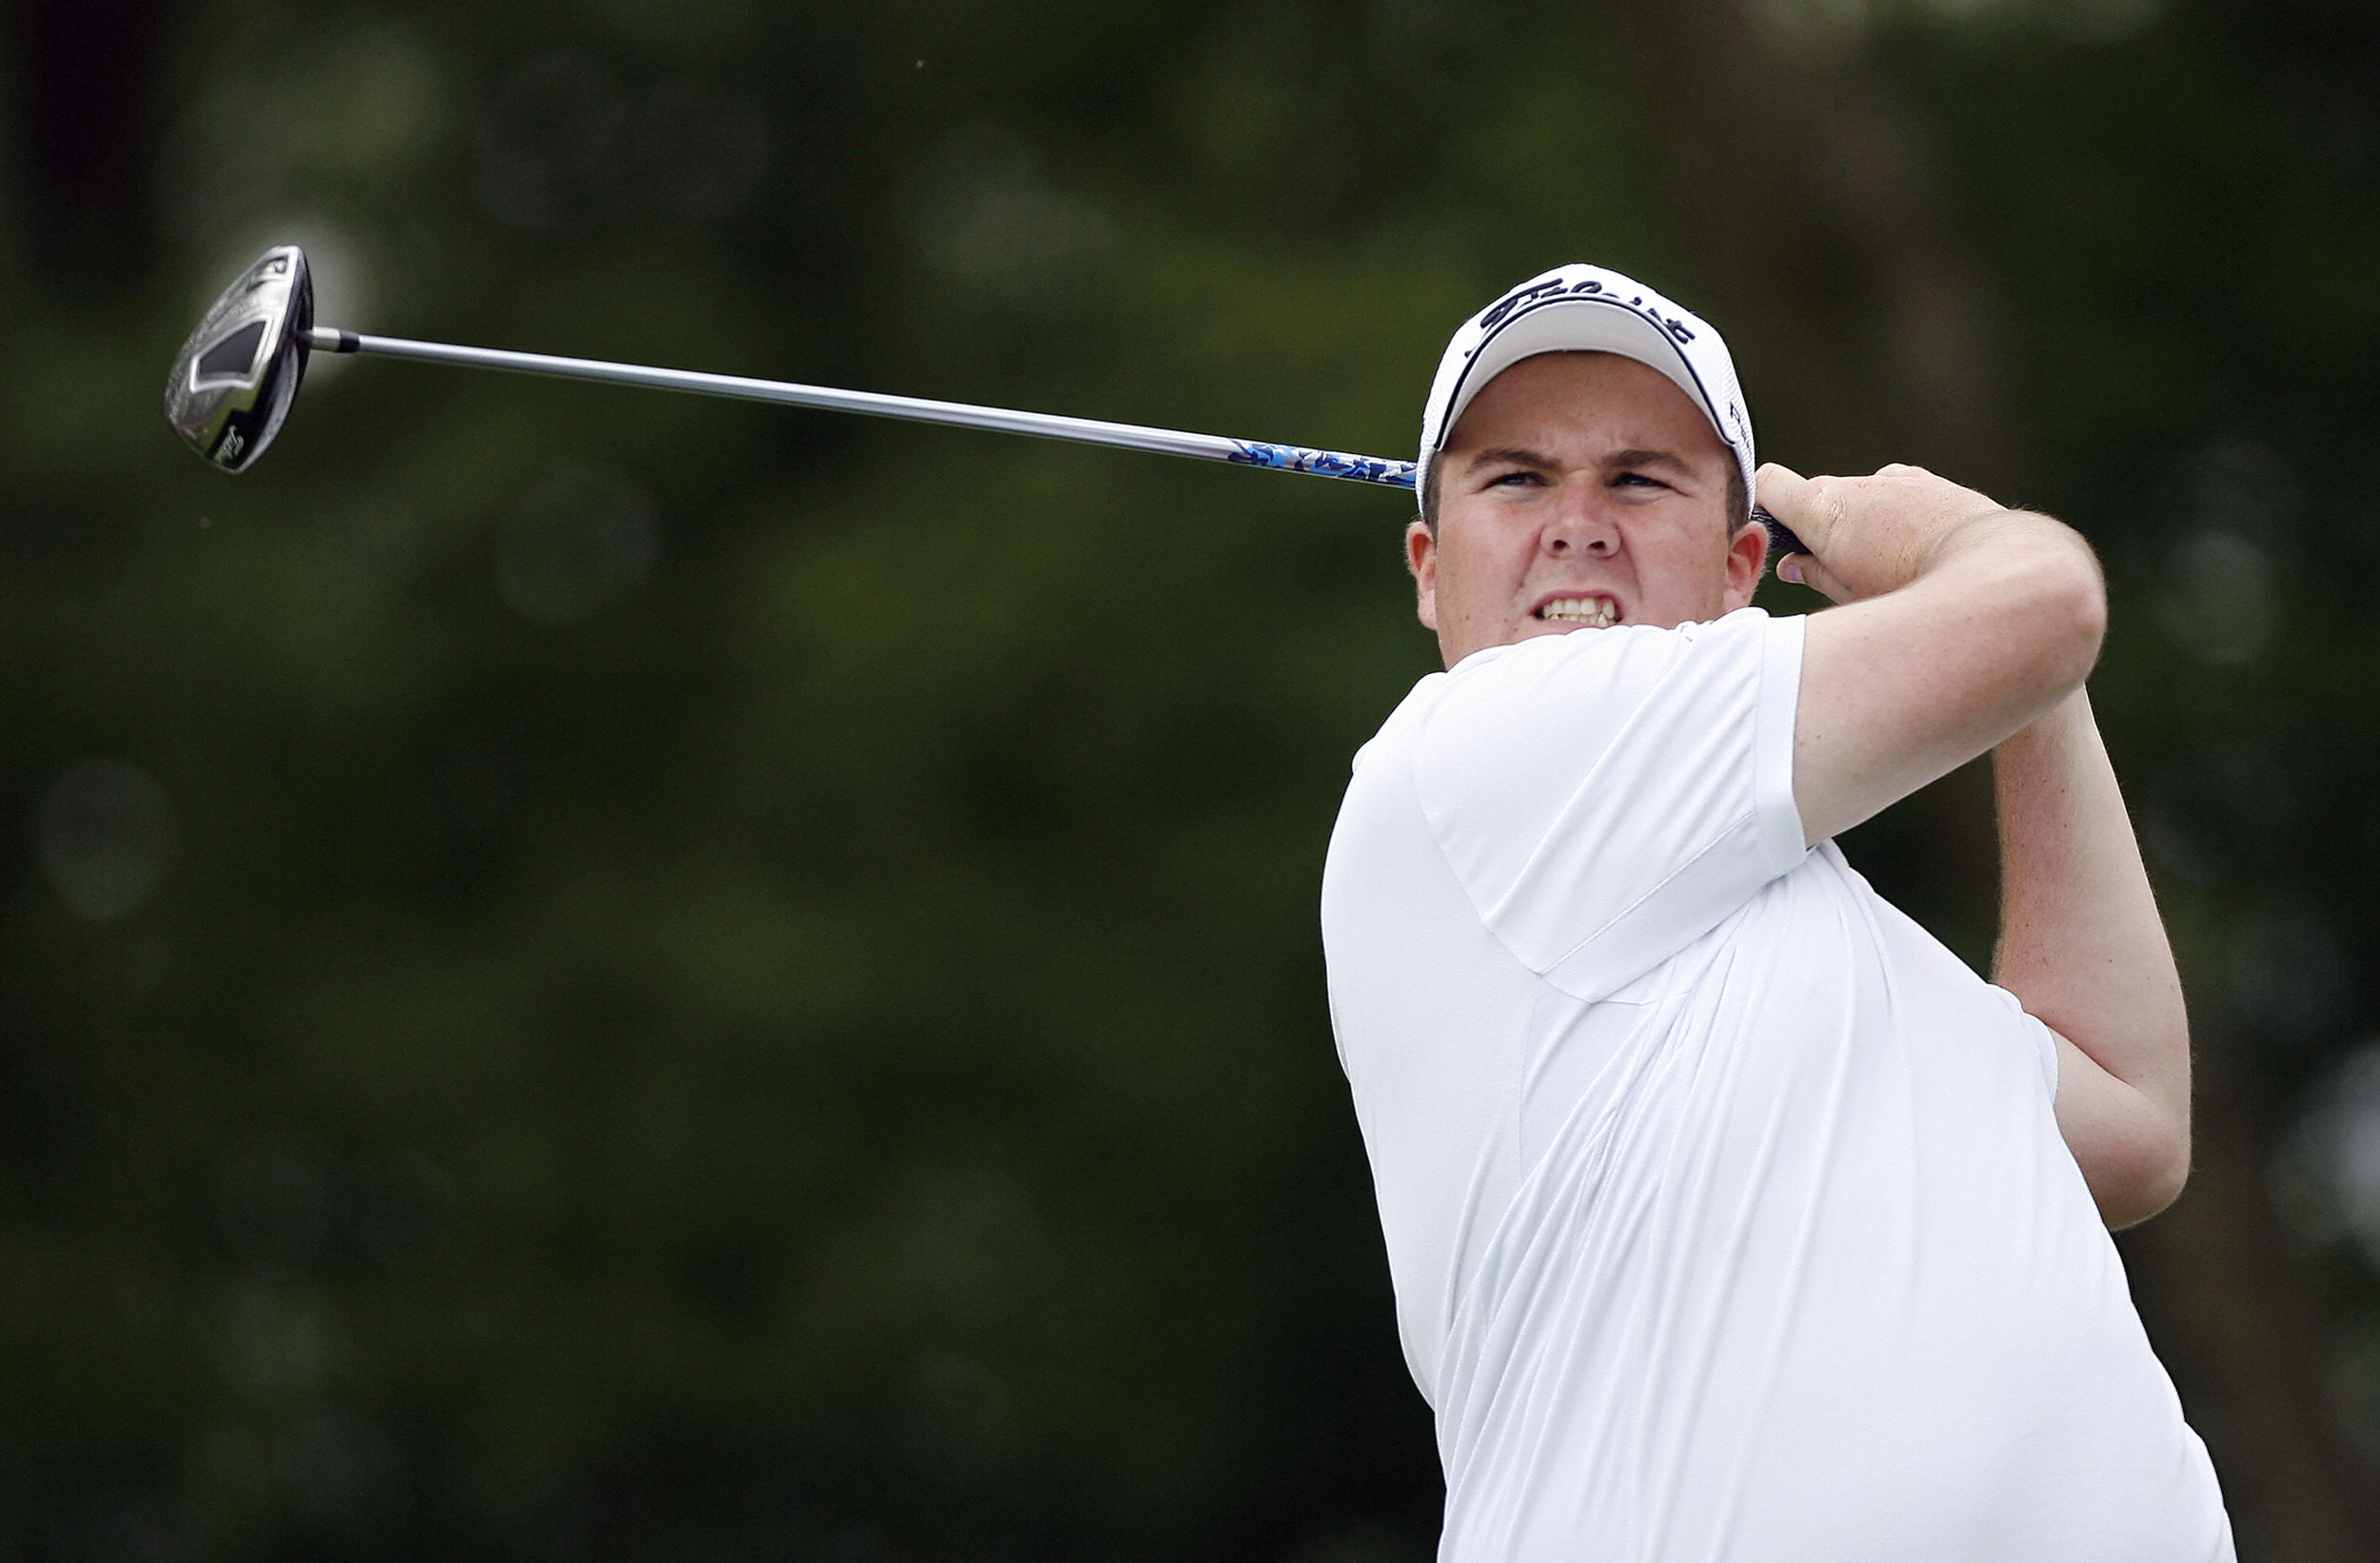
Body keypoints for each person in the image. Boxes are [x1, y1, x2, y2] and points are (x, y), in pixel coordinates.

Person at [1319, 263, 2234, 1562]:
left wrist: (2034, 677)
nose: (1578, 521)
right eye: (1516, 478)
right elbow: (2048, 605)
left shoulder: (1825, 939)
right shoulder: (1473, 758)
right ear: (1428, 566)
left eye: (1641, 479)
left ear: (1744, 559)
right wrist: (1959, 541)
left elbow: (2129, 1120)